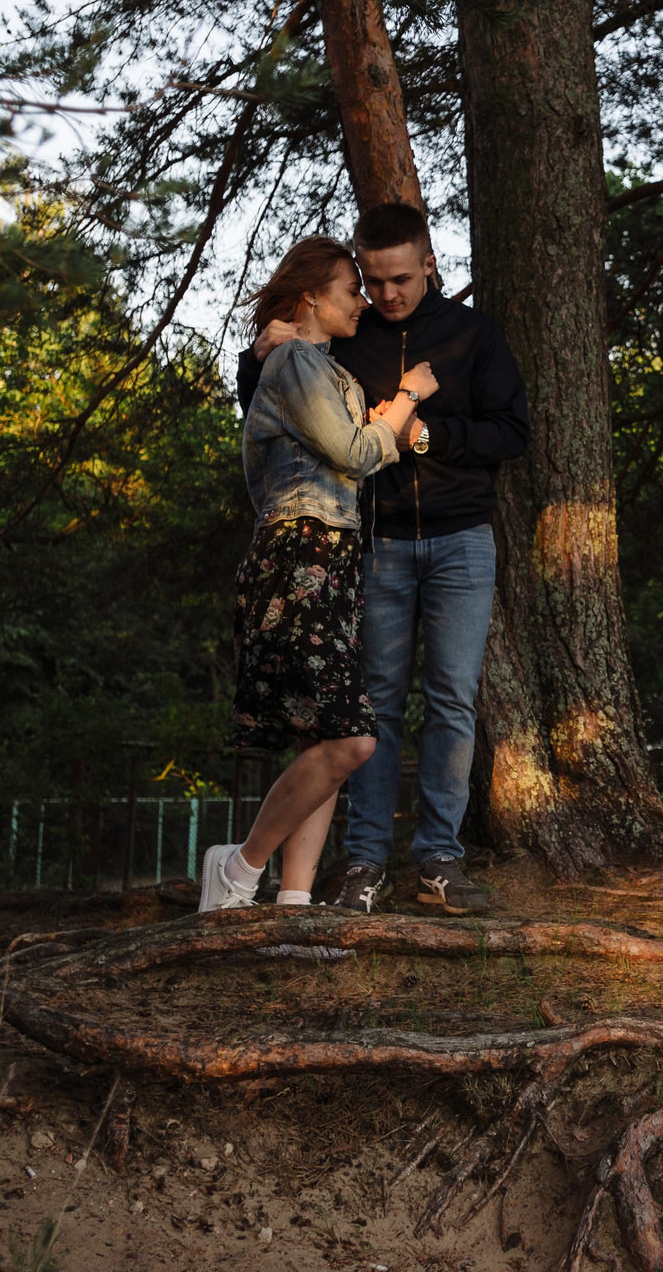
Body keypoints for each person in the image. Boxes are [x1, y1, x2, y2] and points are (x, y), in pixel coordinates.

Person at [236, 203, 527, 915]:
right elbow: (270, 403)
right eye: (372, 280)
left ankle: (437, 860)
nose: (385, 294)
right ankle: (363, 861)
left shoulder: (474, 335)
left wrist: (423, 434)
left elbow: (512, 431)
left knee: (454, 701)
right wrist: (260, 350)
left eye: (399, 278)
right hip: (378, 544)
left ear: (429, 264)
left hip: (462, 539)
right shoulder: (348, 335)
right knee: (371, 709)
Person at [201, 236, 435, 913]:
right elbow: (358, 453)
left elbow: (357, 446)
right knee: (353, 736)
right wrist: (408, 397)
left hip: (328, 558)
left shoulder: (329, 373)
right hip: (299, 552)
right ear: (310, 300)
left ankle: (294, 902)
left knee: (324, 735)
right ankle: (240, 866)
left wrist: (383, 417)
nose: (363, 300)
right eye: (350, 290)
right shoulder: (297, 361)